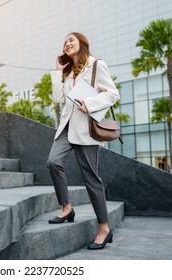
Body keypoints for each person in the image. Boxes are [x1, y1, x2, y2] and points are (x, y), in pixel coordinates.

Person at [47, 32, 120, 250]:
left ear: (82, 43)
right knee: (53, 162)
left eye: (71, 40)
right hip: (66, 127)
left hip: (86, 129)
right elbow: (58, 98)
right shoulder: (68, 71)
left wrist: (90, 103)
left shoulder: (97, 65)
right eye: (64, 42)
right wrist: (58, 72)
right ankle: (67, 207)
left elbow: (112, 94)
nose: (67, 43)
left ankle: (104, 229)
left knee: (90, 178)